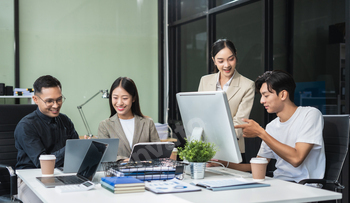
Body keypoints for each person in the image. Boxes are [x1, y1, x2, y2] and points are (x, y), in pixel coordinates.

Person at [233, 70, 325, 183]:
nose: (262, 101)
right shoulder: (271, 126)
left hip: (304, 186)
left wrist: (261, 133)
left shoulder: (310, 114)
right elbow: (258, 164)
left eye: (266, 95)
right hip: (279, 183)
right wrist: (223, 164)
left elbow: (296, 159)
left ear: (283, 95)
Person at [14, 75, 79, 203]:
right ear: (35, 99)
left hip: (63, 175)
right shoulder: (26, 126)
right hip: (30, 178)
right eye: (49, 101)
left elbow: (77, 152)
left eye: (59, 99)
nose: (56, 105)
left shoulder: (65, 120)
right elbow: (42, 163)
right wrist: (71, 148)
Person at [198, 39, 255, 162]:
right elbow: (200, 114)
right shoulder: (205, 81)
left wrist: (218, 143)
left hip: (232, 149)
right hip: (206, 148)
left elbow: (239, 122)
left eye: (231, 59)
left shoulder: (247, 85)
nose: (226, 65)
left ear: (236, 56)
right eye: (221, 61)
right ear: (214, 60)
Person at [97, 77, 160, 161]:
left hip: (145, 172)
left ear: (133, 98)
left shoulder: (148, 123)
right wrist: (126, 160)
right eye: (115, 98)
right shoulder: (105, 125)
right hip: (117, 173)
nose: (119, 103)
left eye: (125, 98)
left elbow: (159, 152)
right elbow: (105, 156)